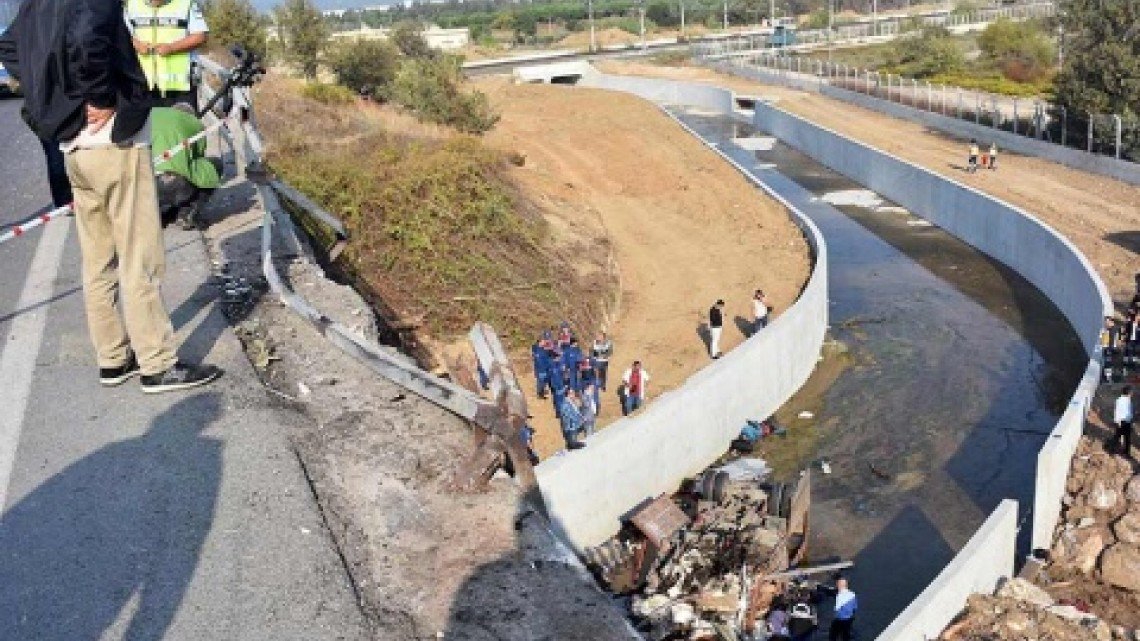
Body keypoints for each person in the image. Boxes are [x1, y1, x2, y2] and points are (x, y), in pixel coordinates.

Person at [0, 0, 222, 393]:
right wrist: (101, 98)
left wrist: (54, 102)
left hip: (74, 148)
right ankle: (157, 364)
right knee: (140, 255)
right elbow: (87, 38)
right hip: (114, 145)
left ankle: (113, 359)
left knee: (98, 259)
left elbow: (11, 48)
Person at [125, 0, 209, 109]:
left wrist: (172, 48)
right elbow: (122, 34)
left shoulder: (186, 3)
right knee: (147, 126)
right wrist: (135, 44)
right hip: (142, 86)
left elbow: (200, 36)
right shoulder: (132, 5)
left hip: (180, 89)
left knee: (179, 125)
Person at [152, 103, 221, 229]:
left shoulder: (153, 114)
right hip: (178, 184)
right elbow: (197, 157)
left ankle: (157, 216)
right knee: (214, 165)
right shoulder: (195, 123)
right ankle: (187, 214)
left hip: (146, 186)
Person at [1113, 386, 1133, 458]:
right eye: (1131, 392)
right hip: (1121, 421)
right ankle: (1113, 450)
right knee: (1118, 437)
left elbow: (1129, 411)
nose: (1132, 394)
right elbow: (1117, 411)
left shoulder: (1129, 400)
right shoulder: (1119, 400)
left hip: (1128, 421)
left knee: (1127, 438)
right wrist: (1117, 421)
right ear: (1128, 393)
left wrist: (1131, 419)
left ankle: (1126, 452)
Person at [1103, 316, 1122, 382]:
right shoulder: (1110, 329)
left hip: (1112, 350)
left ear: (1111, 322)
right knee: (1109, 364)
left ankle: (1110, 378)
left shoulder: (1112, 330)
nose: (1106, 324)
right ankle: (1110, 378)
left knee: (1109, 364)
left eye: (1107, 322)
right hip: (1111, 349)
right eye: (1105, 322)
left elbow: (1118, 339)